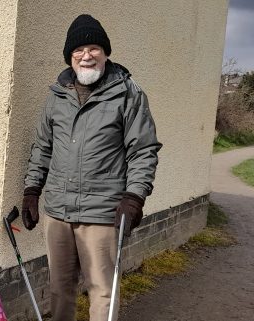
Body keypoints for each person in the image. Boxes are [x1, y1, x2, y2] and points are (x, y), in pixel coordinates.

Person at [21, 14, 162, 321]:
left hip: (102, 211)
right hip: (58, 210)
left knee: (102, 290)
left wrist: (134, 198)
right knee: (60, 288)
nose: (86, 56)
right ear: (70, 57)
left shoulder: (128, 94)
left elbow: (143, 150)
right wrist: (32, 191)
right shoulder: (56, 96)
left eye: (94, 48)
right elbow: (42, 147)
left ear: (105, 52)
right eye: (78, 51)